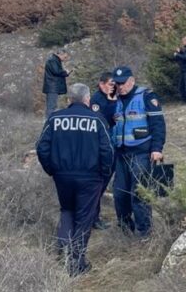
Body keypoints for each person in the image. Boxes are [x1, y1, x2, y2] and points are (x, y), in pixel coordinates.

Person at [36, 83, 113, 276]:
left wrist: (51, 169)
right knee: (84, 218)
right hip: (90, 177)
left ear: (69, 99)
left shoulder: (55, 118)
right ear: (87, 99)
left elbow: (41, 147)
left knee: (67, 211)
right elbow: (107, 150)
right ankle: (76, 264)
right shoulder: (97, 120)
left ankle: (63, 252)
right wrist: (104, 174)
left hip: (62, 175)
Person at [111, 66, 166, 237]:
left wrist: (157, 148)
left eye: (123, 83)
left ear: (132, 80)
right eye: (117, 83)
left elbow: (158, 124)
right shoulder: (115, 101)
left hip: (141, 152)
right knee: (120, 194)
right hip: (121, 154)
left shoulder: (146, 96)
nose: (120, 87)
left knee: (140, 194)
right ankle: (126, 230)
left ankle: (145, 233)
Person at [90, 72, 117, 230]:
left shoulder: (115, 97)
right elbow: (102, 120)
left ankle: (94, 216)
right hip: (101, 146)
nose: (114, 87)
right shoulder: (97, 100)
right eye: (111, 84)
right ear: (102, 84)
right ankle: (93, 218)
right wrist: (111, 102)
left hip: (115, 143)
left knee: (105, 182)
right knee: (98, 184)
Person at [42, 49, 71, 118]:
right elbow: (56, 71)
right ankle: (49, 122)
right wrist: (65, 72)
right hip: (52, 87)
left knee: (53, 106)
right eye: (65, 57)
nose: (65, 59)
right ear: (60, 54)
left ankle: (50, 121)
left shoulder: (54, 60)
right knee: (51, 106)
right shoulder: (53, 60)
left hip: (53, 87)